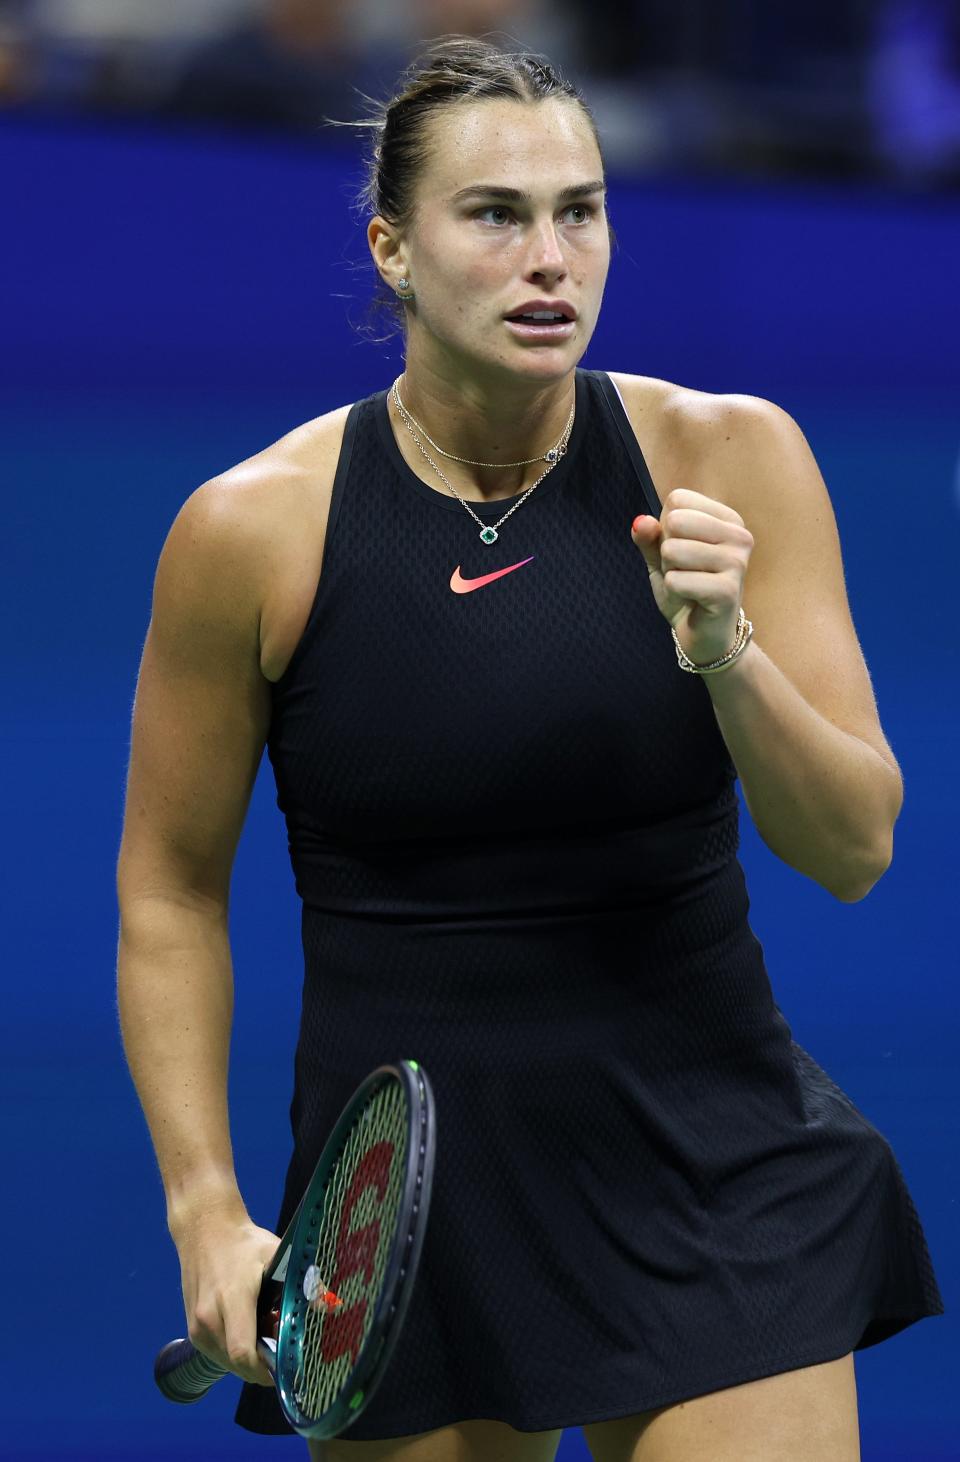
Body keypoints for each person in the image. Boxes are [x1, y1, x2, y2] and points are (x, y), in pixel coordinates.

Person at [115, 34, 944, 1462]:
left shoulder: (733, 458)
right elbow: (171, 894)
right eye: (495, 216)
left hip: (711, 1167)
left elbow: (854, 845)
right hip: (406, 1211)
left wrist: (723, 650)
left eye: (583, 210)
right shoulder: (251, 531)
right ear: (391, 246)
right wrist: (206, 1204)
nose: (550, 256)